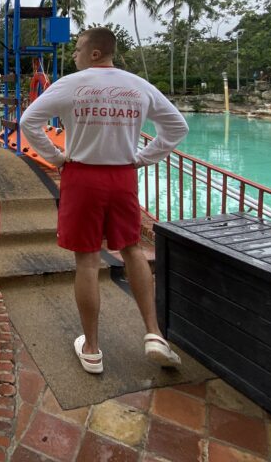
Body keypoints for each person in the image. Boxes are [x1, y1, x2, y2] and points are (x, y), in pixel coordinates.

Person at [19, 27, 189, 374]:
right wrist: (143, 158)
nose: (74, 55)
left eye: (78, 49)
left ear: (95, 53)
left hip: (82, 177)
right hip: (122, 176)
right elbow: (177, 127)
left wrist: (56, 158)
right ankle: (154, 334)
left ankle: (93, 349)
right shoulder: (138, 86)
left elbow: (29, 121)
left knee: (87, 260)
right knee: (132, 250)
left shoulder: (71, 84)